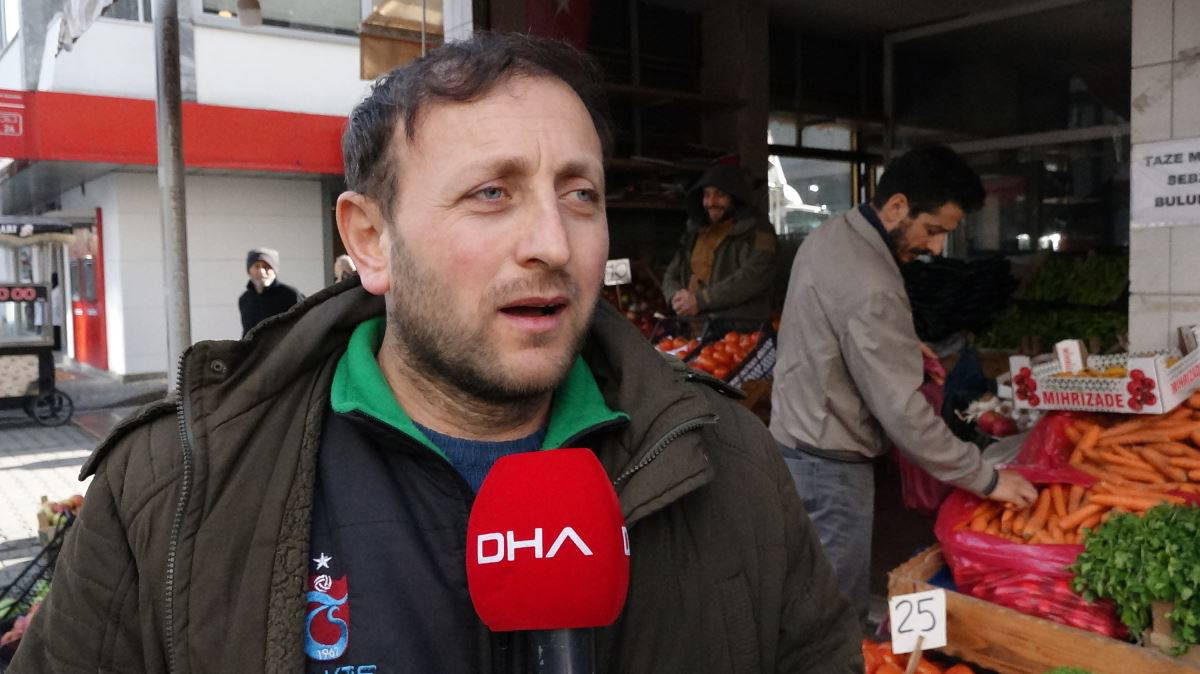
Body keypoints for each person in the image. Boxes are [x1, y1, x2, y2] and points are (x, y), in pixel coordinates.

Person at [10, 33, 860, 673]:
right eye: (491, 193)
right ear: (370, 239)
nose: (552, 243)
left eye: (580, 194)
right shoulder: (176, 486)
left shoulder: (729, 462)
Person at [770, 145, 1038, 627]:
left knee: (804, 599)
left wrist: (899, 344)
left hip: (794, 440)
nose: (936, 248)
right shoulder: (872, 282)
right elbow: (903, 412)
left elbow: (833, 322)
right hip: (830, 467)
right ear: (897, 206)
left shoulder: (832, 234)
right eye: (932, 230)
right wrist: (987, 478)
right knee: (835, 618)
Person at [661, 165, 778, 320]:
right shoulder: (695, 232)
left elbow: (753, 277)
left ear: (735, 198)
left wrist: (701, 300)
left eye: (720, 195)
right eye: (706, 195)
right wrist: (676, 298)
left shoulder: (758, 233)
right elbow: (671, 274)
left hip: (739, 328)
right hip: (693, 325)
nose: (711, 202)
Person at [238, 247, 304, 336]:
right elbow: (247, 332)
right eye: (257, 266)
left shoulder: (290, 295)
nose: (261, 271)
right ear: (249, 271)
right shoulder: (245, 299)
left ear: (274, 271)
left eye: (266, 267)